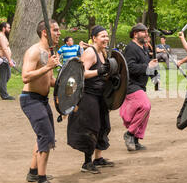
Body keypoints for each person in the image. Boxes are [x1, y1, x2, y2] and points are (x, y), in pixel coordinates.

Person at [67, 25, 114, 174]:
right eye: (102, 36)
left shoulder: (103, 52)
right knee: (91, 128)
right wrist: (98, 71)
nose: (106, 38)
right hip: (88, 95)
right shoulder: (90, 52)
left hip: (101, 96)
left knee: (103, 126)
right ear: (94, 38)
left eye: (107, 36)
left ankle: (98, 158)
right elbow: (82, 73)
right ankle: (87, 163)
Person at [20, 19, 61, 183]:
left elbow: (49, 80)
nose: (59, 33)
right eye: (56, 30)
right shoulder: (34, 51)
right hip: (30, 99)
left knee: (45, 135)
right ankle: (42, 180)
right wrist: (48, 66)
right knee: (46, 137)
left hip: (42, 100)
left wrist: (64, 84)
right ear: (45, 32)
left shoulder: (49, 52)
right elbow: (25, 77)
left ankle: (33, 171)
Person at [120, 23, 159, 151]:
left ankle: (135, 139)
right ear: (135, 34)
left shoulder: (144, 48)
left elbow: (149, 65)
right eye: (143, 32)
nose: (146, 34)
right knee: (145, 106)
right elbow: (129, 67)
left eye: (147, 32)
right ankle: (129, 133)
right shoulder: (131, 48)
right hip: (131, 84)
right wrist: (148, 67)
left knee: (144, 112)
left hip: (140, 85)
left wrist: (154, 77)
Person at [0, 22, 15, 100]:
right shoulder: (1, 37)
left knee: (7, 76)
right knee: (4, 77)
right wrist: (10, 60)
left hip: (3, 59)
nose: (9, 29)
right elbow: (4, 49)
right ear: (4, 28)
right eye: (8, 28)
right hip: (1, 60)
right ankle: (4, 95)